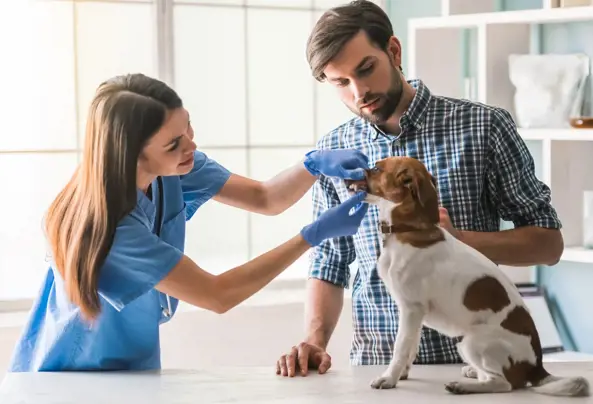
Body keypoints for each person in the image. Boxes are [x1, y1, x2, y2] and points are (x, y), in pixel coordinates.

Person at [8, 73, 371, 372]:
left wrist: (311, 165)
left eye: (188, 129)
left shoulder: (173, 167)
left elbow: (265, 197)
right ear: (130, 152)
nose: (190, 147)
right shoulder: (108, 227)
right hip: (71, 376)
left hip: (133, 368)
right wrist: (312, 236)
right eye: (173, 143)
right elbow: (217, 295)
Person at [276, 0, 564, 377]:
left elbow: (549, 244)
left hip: (472, 366)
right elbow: (329, 262)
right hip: (376, 370)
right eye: (341, 83)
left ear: (393, 51)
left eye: (366, 69)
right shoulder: (334, 152)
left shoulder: (483, 127)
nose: (359, 92)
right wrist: (314, 342)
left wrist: (458, 238)